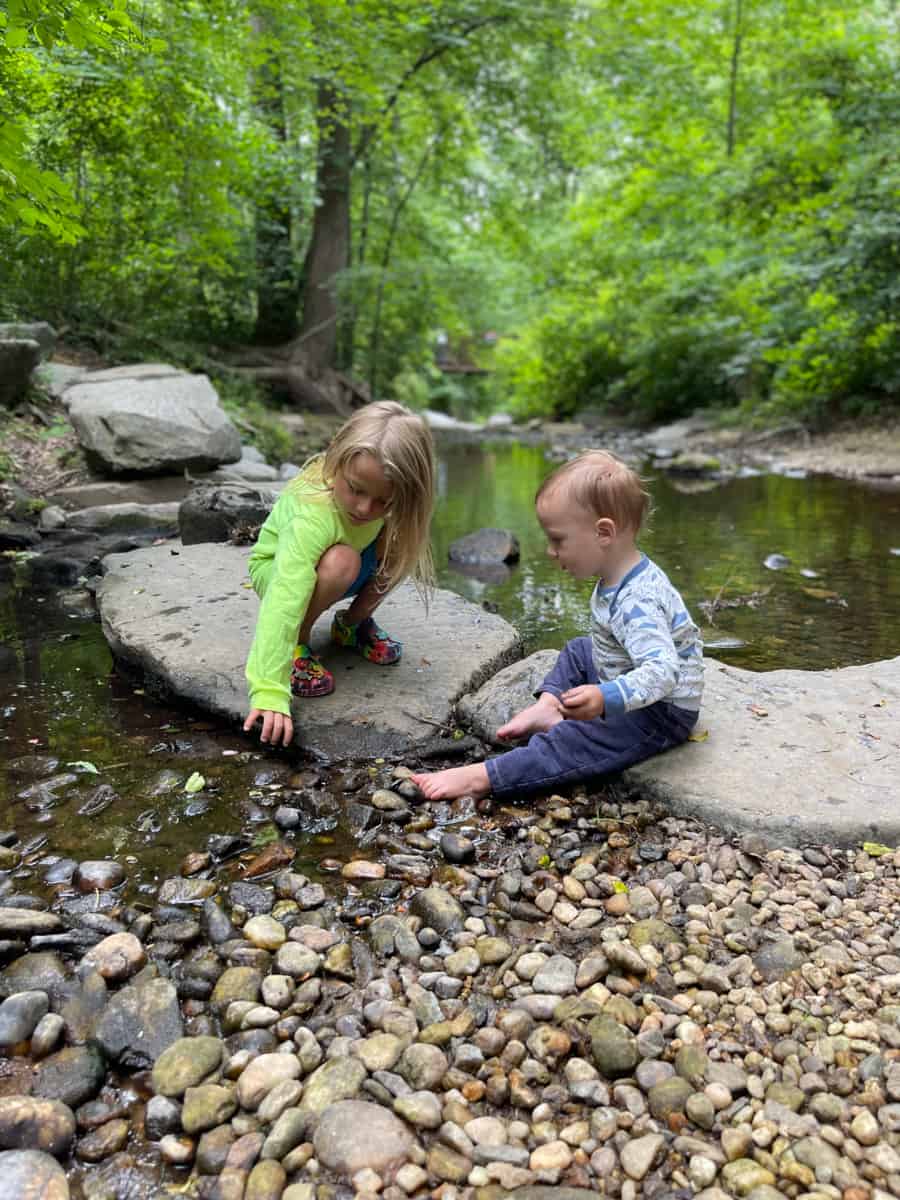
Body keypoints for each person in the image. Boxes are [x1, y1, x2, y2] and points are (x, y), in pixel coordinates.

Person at [412, 449, 703, 799]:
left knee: (575, 740)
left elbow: (664, 670)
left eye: (558, 540)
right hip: (632, 676)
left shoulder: (637, 601)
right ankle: (550, 706)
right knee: (579, 651)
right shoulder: (620, 575)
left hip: (660, 711)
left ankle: (483, 777)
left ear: (604, 533)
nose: (550, 552)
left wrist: (606, 696)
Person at [243, 400, 435, 748]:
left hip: (341, 562)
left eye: (383, 501)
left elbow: (389, 524)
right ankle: (297, 646)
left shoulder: (383, 500)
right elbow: (285, 595)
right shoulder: (311, 515)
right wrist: (269, 690)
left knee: (402, 539)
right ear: (337, 460)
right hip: (278, 571)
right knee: (341, 561)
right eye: (356, 490)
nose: (366, 508)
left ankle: (350, 627)